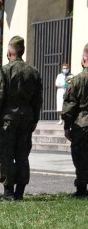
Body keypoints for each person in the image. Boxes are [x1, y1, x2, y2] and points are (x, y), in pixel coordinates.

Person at [0, 35, 42, 201]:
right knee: (22, 155)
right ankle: (20, 191)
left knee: (6, 154)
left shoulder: (4, 71)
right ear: (23, 51)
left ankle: (8, 192)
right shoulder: (33, 72)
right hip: (26, 118)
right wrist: (34, 120)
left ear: (9, 53)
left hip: (8, 119)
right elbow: (38, 99)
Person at [61, 43, 88, 198]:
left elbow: (70, 106)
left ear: (85, 58)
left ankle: (82, 189)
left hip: (82, 124)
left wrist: (67, 126)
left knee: (81, 156)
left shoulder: (77, 80)